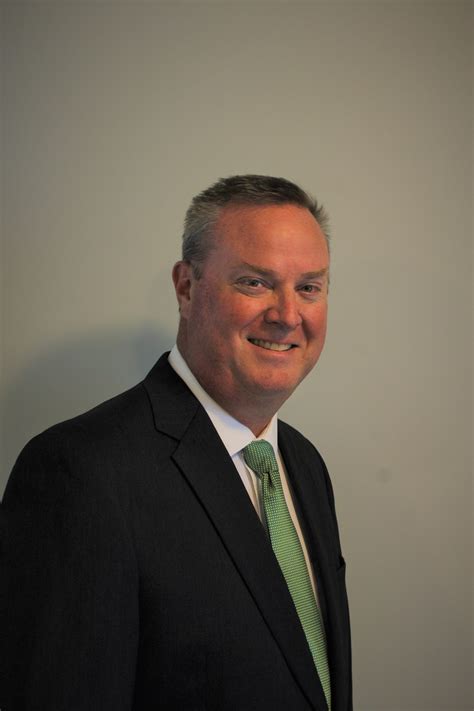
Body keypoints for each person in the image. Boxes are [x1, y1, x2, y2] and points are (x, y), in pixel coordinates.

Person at [1, 175, 352, 710]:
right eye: (254, 282)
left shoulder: (304, 465)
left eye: (309, 287)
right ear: (186, 288)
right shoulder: (81, 472)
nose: (287, 315)